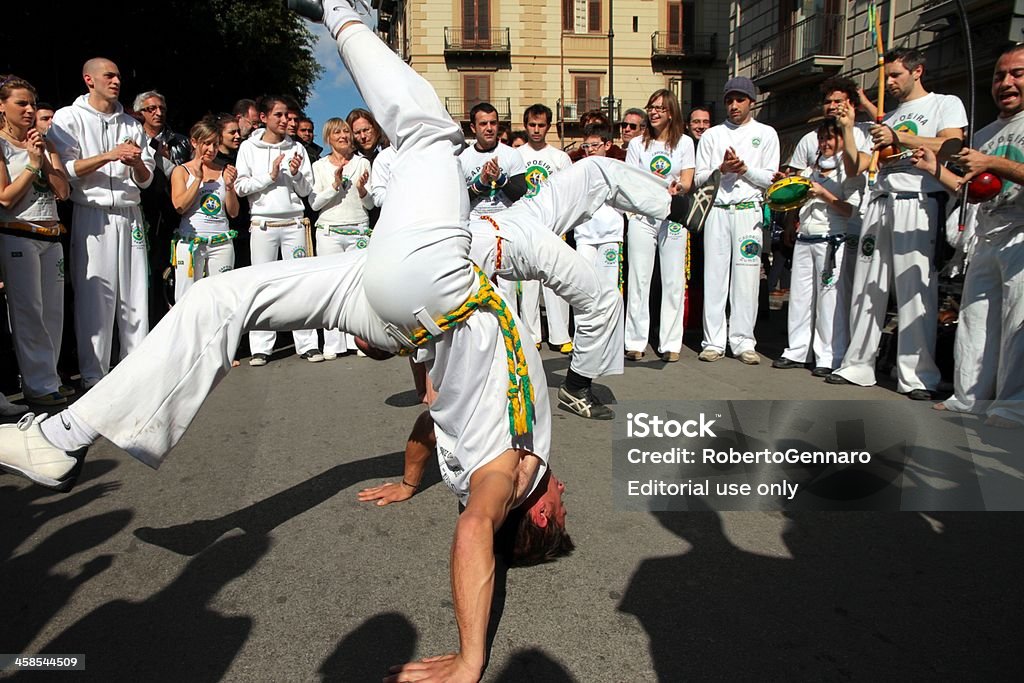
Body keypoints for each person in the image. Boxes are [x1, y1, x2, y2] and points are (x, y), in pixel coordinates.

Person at [827, 48, 967, 399]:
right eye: (885, 77)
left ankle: (917, 375)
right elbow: (858, 166)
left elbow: (952, 144)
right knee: (867, 287)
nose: (887, 83)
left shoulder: (943, 103)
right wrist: (846, 130)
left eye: (895, 76)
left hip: (918, 202)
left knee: (914, 290)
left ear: (917, 71)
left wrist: (899, 137)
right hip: (880, 200)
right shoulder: (889, 114)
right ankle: (857, 364)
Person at [916, 45, 1024, 427]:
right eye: (999, 76)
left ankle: (1013, 405)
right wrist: (933, 168)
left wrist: (991, 162)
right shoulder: (986, 132)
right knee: (975, 320)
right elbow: (966, 188)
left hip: (1021, 237)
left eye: (1017, 74)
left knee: (1016, 322)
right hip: (988, 233)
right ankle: (969, 397)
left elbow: (992, 169)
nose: (1006, 83)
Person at [48, 57, 155, 389]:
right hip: (92, 214)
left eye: (119, 76)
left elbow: (146, 178)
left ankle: (136, 368)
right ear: (89, 80)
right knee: (95, 296)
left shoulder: (131, 123)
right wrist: (108, 155)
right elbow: (63, 169)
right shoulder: (69, 117)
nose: (116, 81)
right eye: (109, 76)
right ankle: (95, 375)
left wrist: (136, 163)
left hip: (129, 213)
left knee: (135, 293)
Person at [694, 77, 780, 365]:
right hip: (718, 209)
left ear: (751, 102)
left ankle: (743, 340)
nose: (733, 105)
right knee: (715, 277)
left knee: (746, 277)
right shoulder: (712, 136)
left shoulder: (766, 134)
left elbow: (770, 178)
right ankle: (713, 341)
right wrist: (721, 168)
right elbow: (698, 178)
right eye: (729, 100)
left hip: (748, 210)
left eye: (739, 100)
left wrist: (744, 170)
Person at [235, 95, 322, 366]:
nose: (286, 121)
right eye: (280, 116)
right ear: (264, 118)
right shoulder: (249, 148)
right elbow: (240, 187)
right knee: (262, 285)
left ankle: (307, 343)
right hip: (263, 223)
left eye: (288, 116)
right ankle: (261, 346)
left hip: (294, 223)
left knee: (299, 283)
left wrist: (295, 174)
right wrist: (270, 177)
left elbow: (308, 191)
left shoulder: (297, 148)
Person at [0, 75, 71, 406]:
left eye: (32, 104)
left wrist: (43, 156)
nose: (29, 110)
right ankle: (38, 385)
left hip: (51, 235)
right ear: (2, 106)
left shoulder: (45, 143)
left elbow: (63, 191)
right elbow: (5, 199)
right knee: (29, 312)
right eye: (21, 104)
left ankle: (49, 377)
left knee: (52, 313)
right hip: (18, 234)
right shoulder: (1, 144)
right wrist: (30, 164)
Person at [772, 119, 862, 376]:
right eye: (822, 138)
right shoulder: (809, 171)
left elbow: (850, 210)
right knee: (800, 299)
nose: (825, 144)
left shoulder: (850, 172)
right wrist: (785, 185)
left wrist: (823, 193)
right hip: (805, 238)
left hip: (831, 239)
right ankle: (797, 351)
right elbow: (793, 199)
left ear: (843, 140)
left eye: (830, 138)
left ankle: (829, 355)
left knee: (829, 301)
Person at [624, 88, 695, 363]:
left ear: (671, 113)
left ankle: (670, 342)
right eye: (651, 107)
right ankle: (635, 341)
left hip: (672, 216)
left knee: (673, 280)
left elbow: (688, 179)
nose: (654, 112)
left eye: (660, 108)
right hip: (643, 216)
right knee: (639, 280)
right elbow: (629, 180)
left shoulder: (684, 143)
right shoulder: (637, 145)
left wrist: (680, 187)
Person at [309, 117, 372, 359]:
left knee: (358, 288)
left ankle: (359, 340)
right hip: (329, 231)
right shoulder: (319, 166)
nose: (344, 136)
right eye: (337, 133)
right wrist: (334, 186)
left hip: (358, 228)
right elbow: (314, 204)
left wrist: (363, 190)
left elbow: (370, 202)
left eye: (346, 132)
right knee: (331, 286)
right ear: (328, 139)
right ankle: (333, 343)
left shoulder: (362, 163)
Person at [458, 101, 527, 315]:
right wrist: (480, 184)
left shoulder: (511, 154)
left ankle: (513, 332)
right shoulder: (463, 159)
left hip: (505, 225)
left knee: (507, 286)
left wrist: (500, 178)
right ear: (473, 128)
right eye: (483, 124)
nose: (489, 128)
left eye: (493, 123)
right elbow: (458, 200)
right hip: (476, 227)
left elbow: (520, 192)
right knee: (478, 284)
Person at [517, 103, 573, 352]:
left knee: (555, 282)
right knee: (528, 283)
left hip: (553, 226)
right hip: (526, 225)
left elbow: (569, 193)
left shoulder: (559, 158)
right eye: (532, 125)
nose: (536, 130)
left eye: (541, 125)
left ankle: (560, 335)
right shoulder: (517, 155)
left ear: (548, 126)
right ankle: (531, 334)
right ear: (526, 125)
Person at [135, 90, 192, 325]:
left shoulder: (180, 141)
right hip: (142, 211)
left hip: (172, 214)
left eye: (162, 108)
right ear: (140, 113)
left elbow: (189, 173)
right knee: (144, 276)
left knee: (170, 274)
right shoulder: (132, 134)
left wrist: (170, 161)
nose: (158, 113)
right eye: (151, 109)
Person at [169, 119, 240, 301]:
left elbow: (233, 212)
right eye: (206, 143)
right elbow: (180, 206)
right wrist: (198, 179)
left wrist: (230, 187)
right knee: (187, 297)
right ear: (194, 142)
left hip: (221, 242)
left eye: (215, 144)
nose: (211, 149)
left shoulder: (225, 170)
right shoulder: (182, 171)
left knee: (222, 296)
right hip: (191, 241)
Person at [575, 125, 626, 296]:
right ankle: (585, 324)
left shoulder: (617, 168)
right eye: (586, 146)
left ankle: (609, 324)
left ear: (607, 145)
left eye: (595, 145)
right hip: (584, 237)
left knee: (609, 289)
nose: (590, 150)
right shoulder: (578, 170)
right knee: (584, 288)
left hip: (610, 235)